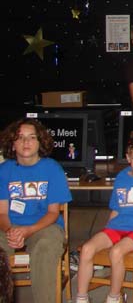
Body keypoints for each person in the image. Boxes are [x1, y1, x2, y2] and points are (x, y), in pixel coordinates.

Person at [75, 130, 133, 303]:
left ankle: (114, 297)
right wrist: (106, 233)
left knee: (116, 252)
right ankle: (81, 297)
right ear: (128, 158)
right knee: (87, 249)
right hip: (117, 226)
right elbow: (116, 209)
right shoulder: (121, 177)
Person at [0, 118, 72, 303]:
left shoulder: (52, 168)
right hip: (9, 225)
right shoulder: (4, 170)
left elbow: (53, 213)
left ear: (40, 142)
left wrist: (28, 230)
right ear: (12, 143)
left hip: (44, 225)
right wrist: (10, 231)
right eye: (20, 137)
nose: (26, 142)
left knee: (46, 247)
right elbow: (2, 213)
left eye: (32, 137)